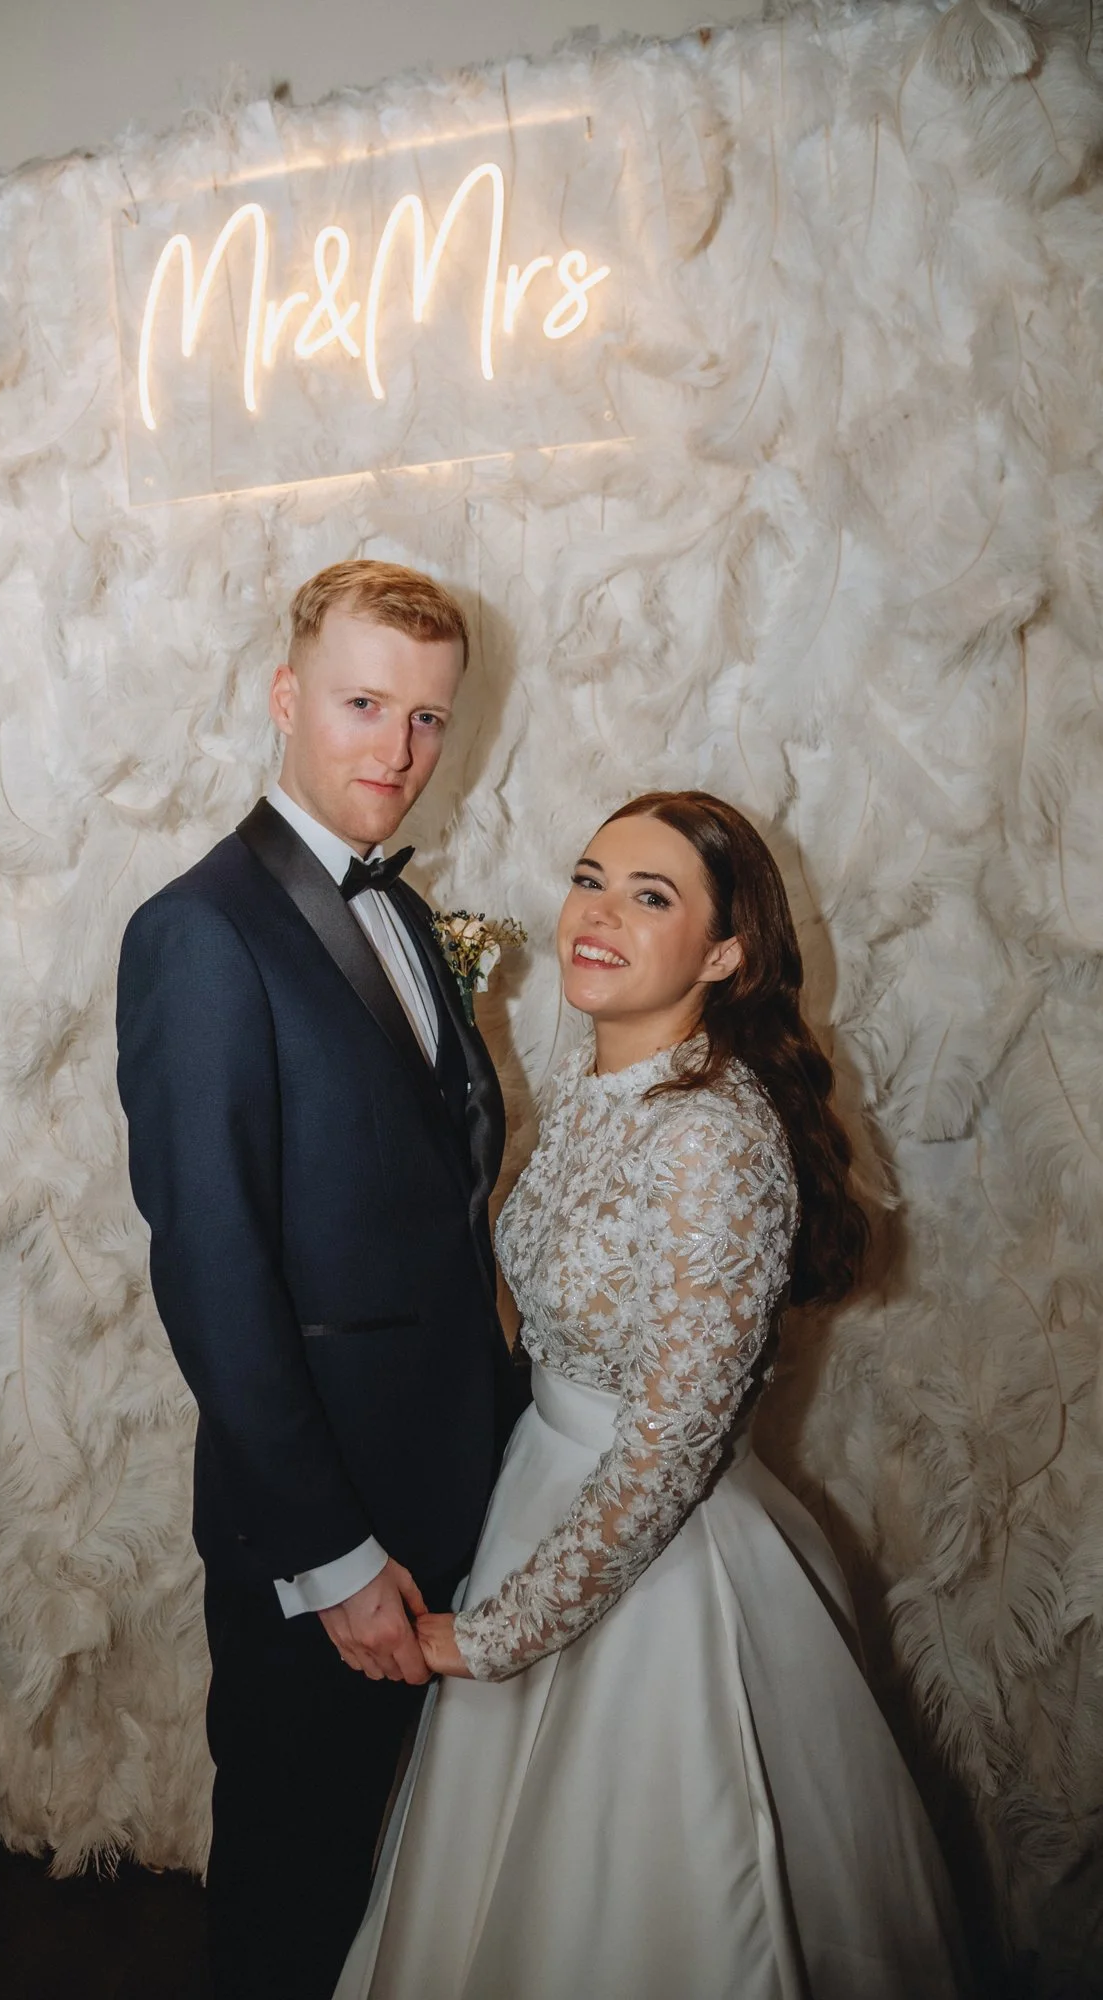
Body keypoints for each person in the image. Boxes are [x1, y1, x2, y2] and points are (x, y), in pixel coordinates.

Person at [335, 791, 970, 2000]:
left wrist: (493, 1633)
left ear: (725, 953)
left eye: (651, 895)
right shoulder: (605, 1082)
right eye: (589, 878)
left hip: (652, 1567)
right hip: (540, 1494)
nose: (598, 913)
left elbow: (675, 1441)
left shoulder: (713, 1138)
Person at [115, 559, 528, 2000]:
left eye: (426, 718)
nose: (395, 752)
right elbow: (212, 1273)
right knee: (291, 1900)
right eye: (362, 704)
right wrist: (333, 1559)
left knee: (401, 1890)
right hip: (322, 1540)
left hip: (451, 1496)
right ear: (286, 699)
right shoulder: (202, 932)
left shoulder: (404, 917)